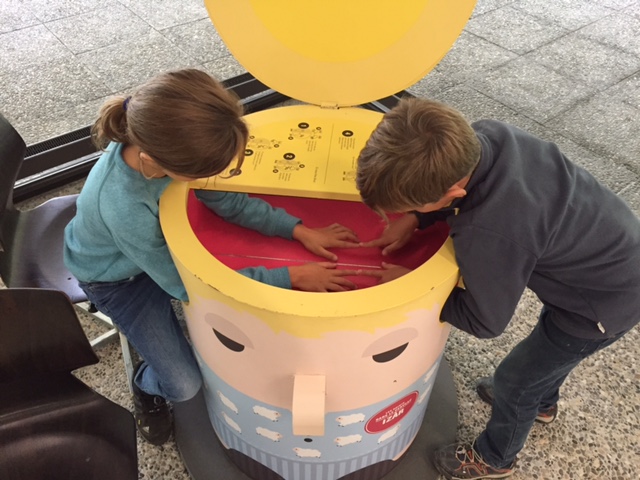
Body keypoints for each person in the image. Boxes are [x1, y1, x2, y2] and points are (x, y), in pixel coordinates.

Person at [64, 69, 362, 446]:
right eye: (204, 173)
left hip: (155, 255)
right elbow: (186, 283)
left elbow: (227, 200)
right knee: (184, 384)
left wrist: (298, 230)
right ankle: (145, 384)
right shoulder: (123, 205)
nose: (216, 176)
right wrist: (291, 277)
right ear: (157, 162)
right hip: (118, 281)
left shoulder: (169, 141)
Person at [355, 97, 640, 479]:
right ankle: (543, 403)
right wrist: (417, 219)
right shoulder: (489, 135)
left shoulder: (491, 230)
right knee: (549, 359)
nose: (408, 213)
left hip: (601, 306)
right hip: (607, 257)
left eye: (414, 206)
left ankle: (495, 457)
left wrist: (413, 291)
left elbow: (486, 321)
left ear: (452, 194)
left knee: (515, 381)